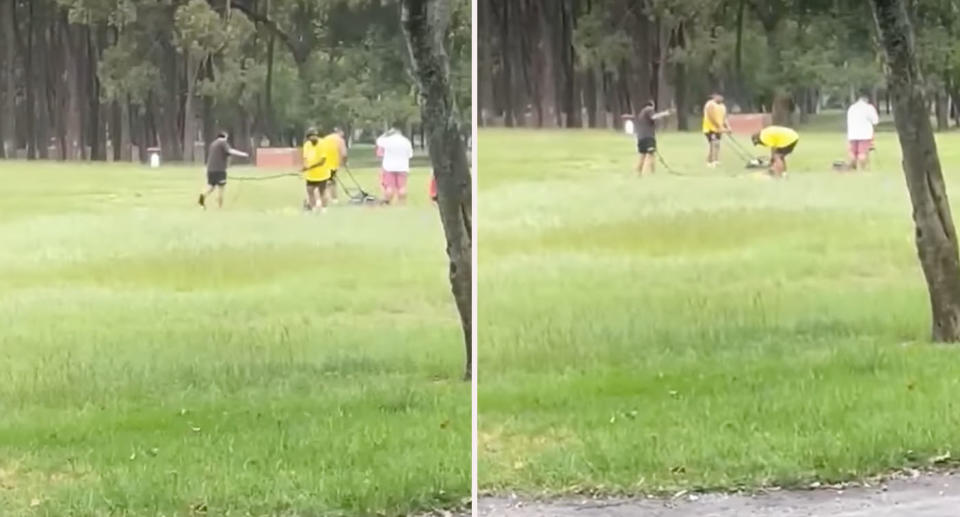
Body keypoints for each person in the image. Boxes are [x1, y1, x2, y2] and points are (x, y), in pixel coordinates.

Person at [198, 131, 249, 209]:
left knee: (211, 186)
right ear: (225, 137)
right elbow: (230, 151)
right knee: (221, 189)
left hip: (210, 170)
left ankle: (202, 198)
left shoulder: (213, 144)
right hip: (220, 170)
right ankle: (220, 208)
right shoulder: (223, 143)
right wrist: (243, 154)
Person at [634, 100, 674, 176]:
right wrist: (665, 113)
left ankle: (638, 173)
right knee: (650, 155)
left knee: (642, 155)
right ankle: (650, 173)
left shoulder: (641, 114)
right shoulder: (649, 109)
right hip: (648, 137)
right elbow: (654, 117)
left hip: (640, 137)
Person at [376, 128, 413, 205]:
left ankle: (387, 201)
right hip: (402, 167)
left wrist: (386, 134)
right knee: (402, 187)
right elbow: (410, 155)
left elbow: (378, 141)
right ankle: (401, 203)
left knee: (389, 187)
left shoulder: (388, 140)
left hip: (389, 166)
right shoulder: (406, 141)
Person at [302, 127, 332, 213]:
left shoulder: (322, 144)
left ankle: (324, 209)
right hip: (311, 175)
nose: (313, 137)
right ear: (308, 137)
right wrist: (305, 166)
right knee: (310, 191)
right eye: (311, 136)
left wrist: (309, 167)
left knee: (322, 191)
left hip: (322, 174)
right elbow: (305, 158)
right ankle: (313, 209)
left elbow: (322, 161)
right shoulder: (307, 145)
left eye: (315, 135)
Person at [846, 92, 879, 171]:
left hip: (852, 133)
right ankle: (863, 168)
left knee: (853, 152)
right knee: (862, 152)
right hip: (864, 134)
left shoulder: (852, 108)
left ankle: (853, 166)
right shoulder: (869, 108)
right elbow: (875, 121)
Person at [702, 93, 731, 168]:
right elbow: (711, 117)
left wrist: (728, 127)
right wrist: (720, 127)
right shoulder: (710, 104)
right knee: (713, 144)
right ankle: (710, 161)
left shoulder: (722, 106)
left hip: (718, 129)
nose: (721, 98)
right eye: (719, 96)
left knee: (717, 144)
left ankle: (716, 160)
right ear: (715, 97)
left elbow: (724, 118)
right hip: (709, 128)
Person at [323, 128, 349, 203]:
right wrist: (345, 163)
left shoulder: (326, 139)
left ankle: (328, 197)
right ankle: (332, 198)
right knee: (331, 181)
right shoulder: (340, 140)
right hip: (332, 164)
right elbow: (344, 154)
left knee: (326, 180)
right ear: (340, 132)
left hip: (323, 163)